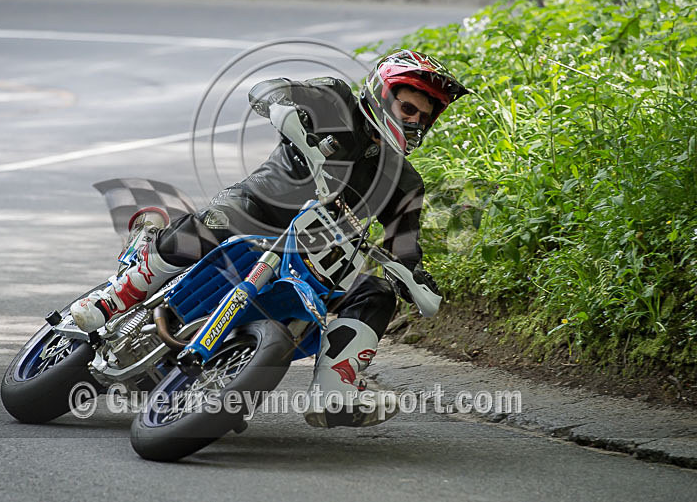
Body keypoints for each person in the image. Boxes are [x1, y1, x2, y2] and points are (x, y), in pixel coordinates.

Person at [70, 49, 469, 427]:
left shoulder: (404, 181)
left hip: (315, 259)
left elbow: (404, 245)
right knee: (216, 220)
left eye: (424, 117)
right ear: (383, 93)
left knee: (376, 295)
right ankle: (113, 298)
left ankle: (335, 393)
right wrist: (284, 108)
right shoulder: (334, 98)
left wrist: (413, 273)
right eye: (409, 109)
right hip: (255, 211)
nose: (415, 122)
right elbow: (270, 90)